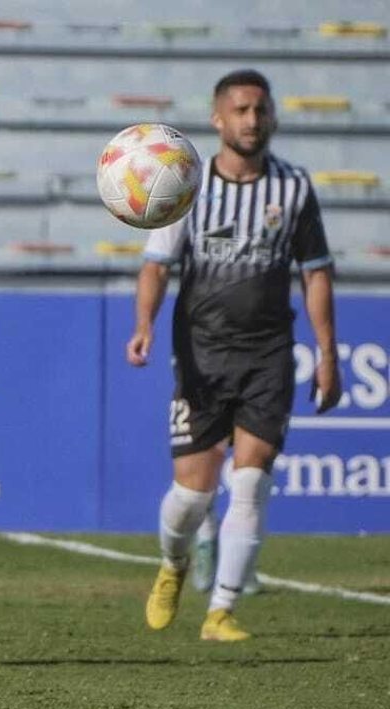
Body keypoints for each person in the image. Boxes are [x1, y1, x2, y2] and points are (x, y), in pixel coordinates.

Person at [128, 68, 340, 641]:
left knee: (250, 484)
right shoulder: (186, 186)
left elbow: (316, 274)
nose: (252, 119)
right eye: (241, 110)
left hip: (269, 355)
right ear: (218, 119)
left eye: (260, 110)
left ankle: (221, 611)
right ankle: (173, 563)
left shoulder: (293, 187)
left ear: (271, 116)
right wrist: (144, 324)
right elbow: (155, 266)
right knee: (192, 497)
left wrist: (327, 352)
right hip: (201, 356)